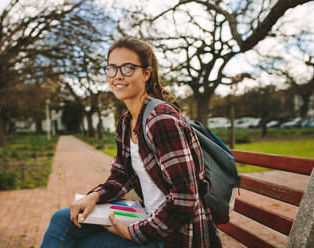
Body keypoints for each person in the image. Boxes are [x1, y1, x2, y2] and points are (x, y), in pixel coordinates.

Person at [40, 36, 222, 248]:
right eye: (112, 69)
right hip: (145, 216)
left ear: (146, 73)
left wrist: (135, 233)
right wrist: (94, 196)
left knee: (88, 244)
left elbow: (185, 198)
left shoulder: (161, 121)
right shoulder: (127, 123)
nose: (118, 76)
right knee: (63, 219)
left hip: (175, 235)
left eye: (128, 68)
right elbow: (121, 175)